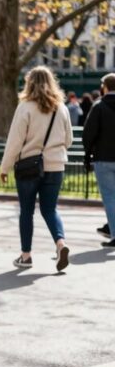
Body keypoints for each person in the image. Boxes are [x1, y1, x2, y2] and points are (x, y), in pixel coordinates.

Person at [0, 66, 73, 271]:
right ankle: (61, 244)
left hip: (29, 167)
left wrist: (4, 168)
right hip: (56, 165)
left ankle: (26, 256)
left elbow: (15, 141)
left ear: (29, 83)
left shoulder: (25, 107)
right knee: (50, 209)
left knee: (26, 211)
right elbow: (69, 140)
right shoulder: (62, 108)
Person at [82, 73, 115, 249]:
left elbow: (88, 134)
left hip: (104, 158)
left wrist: (88, 154)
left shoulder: (99, 107)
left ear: (105, 87)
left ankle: (113, 232)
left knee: (110, 197)